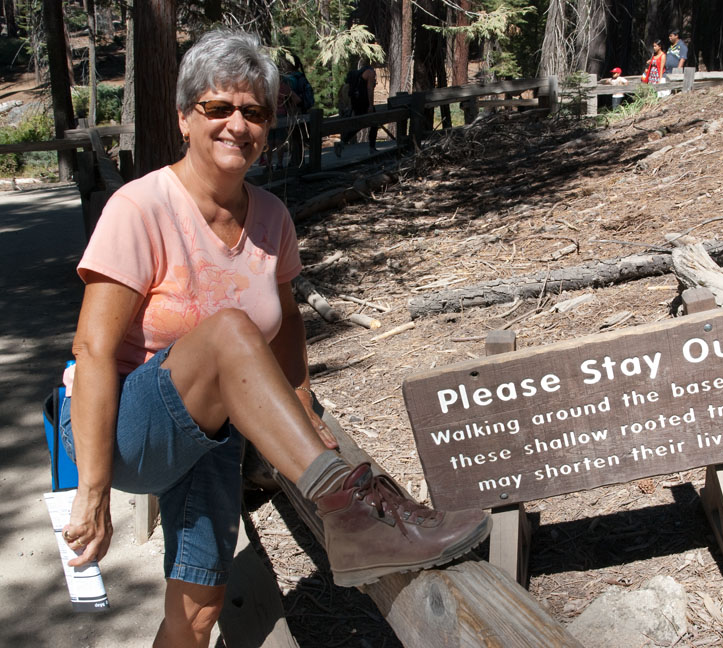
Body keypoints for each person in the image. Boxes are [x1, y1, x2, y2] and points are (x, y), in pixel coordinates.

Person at [60, 30, 490, 647]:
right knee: (230, 330)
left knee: (199, 610)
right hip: (123, 427)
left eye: (255, 112)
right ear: (184, 118)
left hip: (209, 430)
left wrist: (303, 403)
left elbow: (286, 322)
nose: (238, 124)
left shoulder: (270, 217)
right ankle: (352, 512)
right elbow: (93, 350)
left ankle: (354, 514)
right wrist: (93, 490)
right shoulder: (140, 208)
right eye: (218, 107)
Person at [335, 59, 377, 157]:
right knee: (375, 122)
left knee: (360, 124)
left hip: (356, 101)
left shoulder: (361, 72)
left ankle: (342, 143)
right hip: (364, 102)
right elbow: (369, 89)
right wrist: (371, 105)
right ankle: (372, 148)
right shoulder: (370, 72)